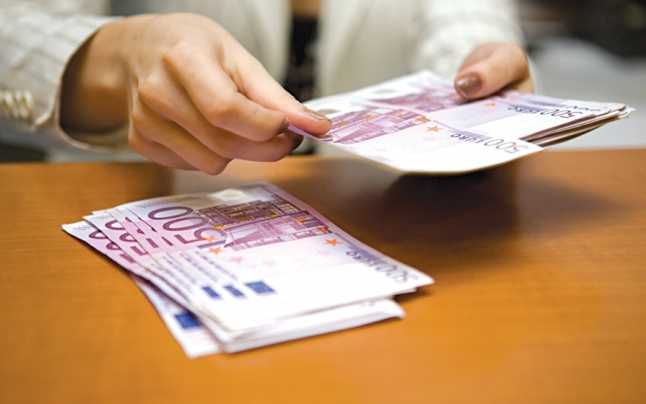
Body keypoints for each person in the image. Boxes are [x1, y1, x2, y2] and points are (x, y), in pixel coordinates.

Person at [0, 0, 533, 174]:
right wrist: (119, 56)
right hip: (152, 191)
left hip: (387, 213)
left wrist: (477, 68)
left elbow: (466, 20)